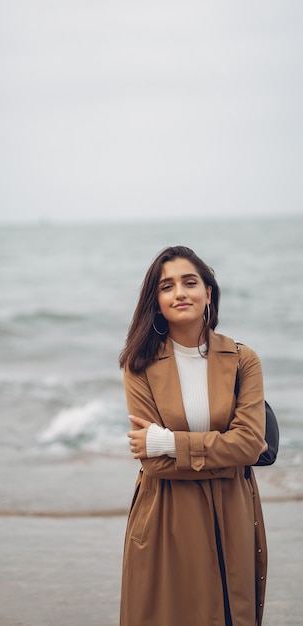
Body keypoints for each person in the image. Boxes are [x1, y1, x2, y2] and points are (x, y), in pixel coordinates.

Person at [119, 245, 268, 626]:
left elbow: (250, 443)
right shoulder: (139, 365)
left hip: (233, 509)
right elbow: (153, 466)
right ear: (157, 301)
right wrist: (225, 455)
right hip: (167, 513)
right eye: (167, 286)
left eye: (190, 282)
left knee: (233, 614)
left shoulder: (242, 359)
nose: (180, 293)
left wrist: (169, 442)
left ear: (208, 293)